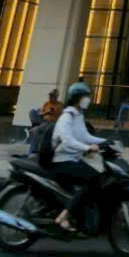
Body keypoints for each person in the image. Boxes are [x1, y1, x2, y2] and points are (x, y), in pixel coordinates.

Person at [51, 82, 107, 230]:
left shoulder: (78, 115)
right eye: (85, 96)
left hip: (73, 158)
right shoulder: (67, 117)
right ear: (76, 98)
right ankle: (64, 216)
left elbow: (85, 136)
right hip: (61, 161)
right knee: (92, 178)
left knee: (97, 175)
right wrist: (87, 148)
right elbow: (68, 141)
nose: (88, 99)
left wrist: (106, 142)